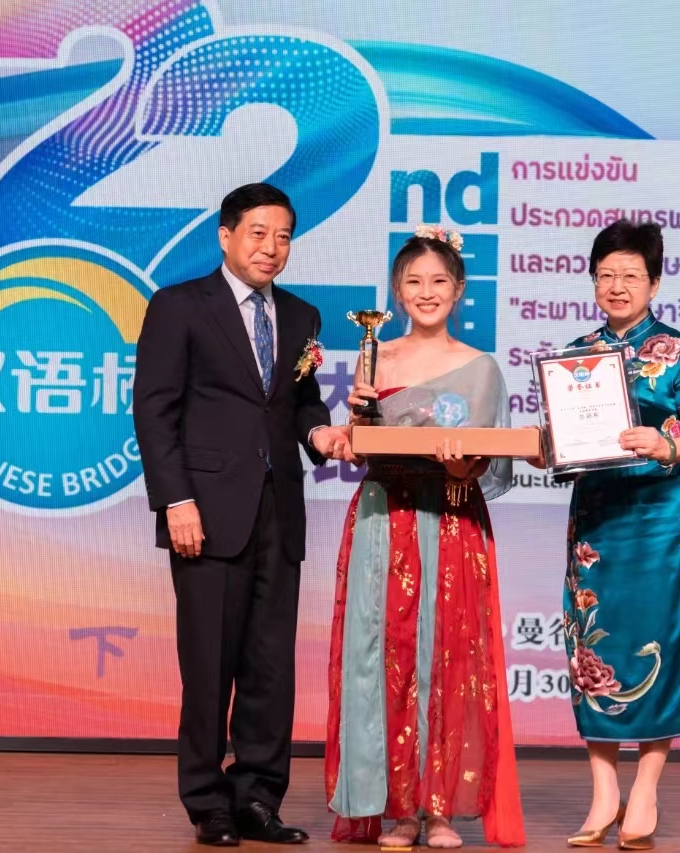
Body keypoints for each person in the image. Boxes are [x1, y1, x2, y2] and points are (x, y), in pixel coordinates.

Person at [133, 183, 353, 847]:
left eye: (283, 236)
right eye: (259, 233)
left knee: (270, 667)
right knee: (208, 665)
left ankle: (259, 795)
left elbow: (301, 402)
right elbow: (155, 410)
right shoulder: (179, 306)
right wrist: (176, 500)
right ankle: (208, 802)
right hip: (204, 513)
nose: (272, 248)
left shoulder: (301, 315)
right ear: (226, 235)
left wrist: (319, 433)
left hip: (278, 512)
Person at [324, 225, 527, 849]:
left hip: (451, 519)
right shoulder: (375, 358)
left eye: (439, 281)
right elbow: (359, 449)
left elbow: (483, 464)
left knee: (448, 655)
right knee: (380, 655)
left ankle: (440, 807)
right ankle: (397, 808)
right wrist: (353, 423)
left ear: (460, 289)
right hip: (384, 519)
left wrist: (460, 464)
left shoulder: (480, 367)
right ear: (396, 291)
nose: (427, 291)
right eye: (413, 281)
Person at [560, 220, 680, 850]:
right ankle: (603, 792)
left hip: (658, 520)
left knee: (658, 641)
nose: (617, 286)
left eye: (630, 275)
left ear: (654, 283)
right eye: (606, 275)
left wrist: (663, 443)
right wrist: (550, 448)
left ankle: (646, 786)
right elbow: (563, 438)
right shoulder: (576, 353)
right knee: (590, 644)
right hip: (596, 522)